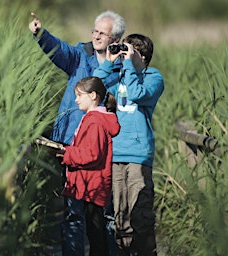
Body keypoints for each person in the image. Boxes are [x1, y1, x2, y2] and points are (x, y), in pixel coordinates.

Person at [29, 11, 125, 256]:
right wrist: (41, 34)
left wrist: (112, 64)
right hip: (70, 144)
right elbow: (59, 50)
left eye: (102, 33)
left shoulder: (121, 70)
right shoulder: (80, 56)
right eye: (94, 31)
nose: (95, 36)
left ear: (115, 38)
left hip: (102, 151)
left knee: (103, 215)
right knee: (73, 211)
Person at [93, 34, 164, 255]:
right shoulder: (119, 78)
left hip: (138, 155)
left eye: (128, 51)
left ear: (141, 55)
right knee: (120, 217)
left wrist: (129, 66)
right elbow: (93, 87)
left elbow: (136, 93)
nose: (124, 55)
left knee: (140, 215)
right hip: (116, 154)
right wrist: (109, 62)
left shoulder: (153, 77)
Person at [56, 76, 120, 256]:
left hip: (92, 185)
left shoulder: (95, 121)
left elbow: (92, 153)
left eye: (79, 95)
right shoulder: (93, 119)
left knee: (96, 234)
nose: (76, 99)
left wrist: (66, 154)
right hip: (92, 183)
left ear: (93, 95)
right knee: (95, 231)